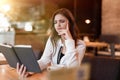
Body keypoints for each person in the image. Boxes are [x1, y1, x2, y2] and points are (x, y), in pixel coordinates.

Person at [16, 8, 86, 78]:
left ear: (70, 23)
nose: (58, 25)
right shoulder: (53, 39)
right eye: (55, 22)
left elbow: (73, 71)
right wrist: (30, 69)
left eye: (62, 21)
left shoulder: (80, 45)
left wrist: (70, 41)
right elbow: (44, 61)